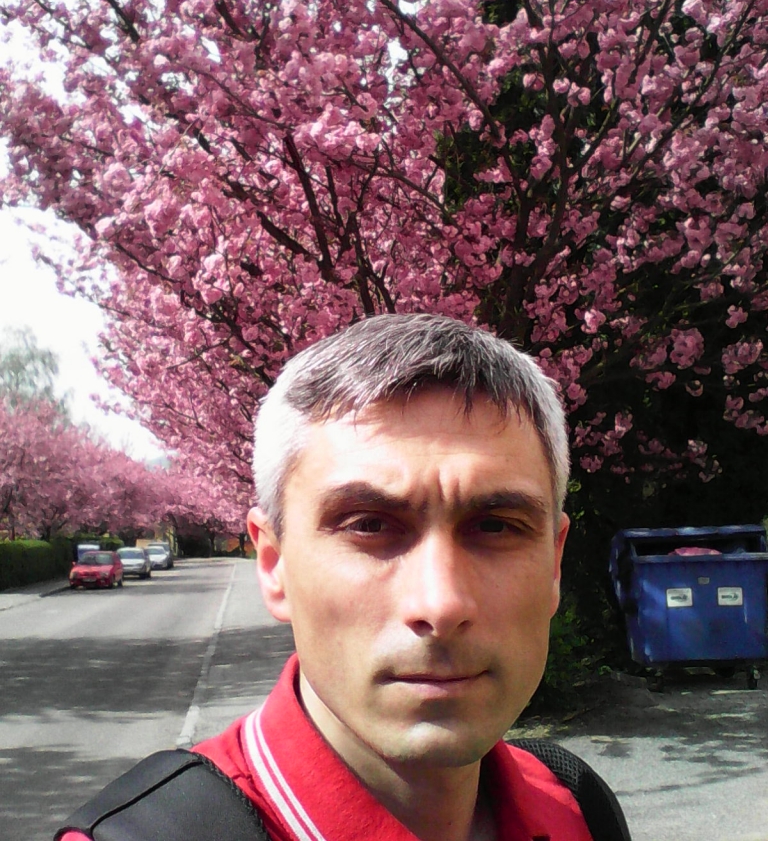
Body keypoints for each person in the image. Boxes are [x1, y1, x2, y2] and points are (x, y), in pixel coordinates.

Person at [56, 313, 628, 841]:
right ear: (274, 565)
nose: (442, 603)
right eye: (370, 525)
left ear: (554, 564)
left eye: (497, 526)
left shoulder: (578, 808)